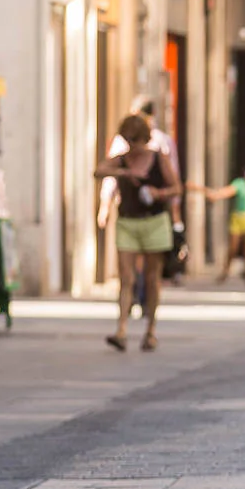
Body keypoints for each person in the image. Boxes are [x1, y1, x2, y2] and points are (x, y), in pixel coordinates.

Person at [95, 114, 180, 352]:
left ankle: (150, 330)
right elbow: (98, 170)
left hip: (154, 221)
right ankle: (121, 329)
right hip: (128, 222)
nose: (133, 147)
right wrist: (122, 173)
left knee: (152, 279)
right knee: (126, 277)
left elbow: (176, 187)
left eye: (137, 141)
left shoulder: (158, 158)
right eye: (129, 141)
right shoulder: (121, 160)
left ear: (145, 139)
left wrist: (157, 193)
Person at [187, 176, 245, 285]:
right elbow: (220, 193)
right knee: (233, 247)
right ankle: (226, 271)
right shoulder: (240, 184)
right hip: (238, 217)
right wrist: (198, 188)